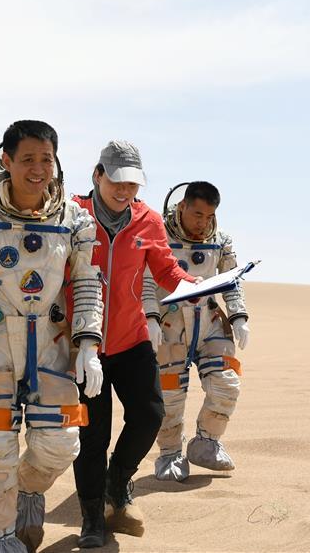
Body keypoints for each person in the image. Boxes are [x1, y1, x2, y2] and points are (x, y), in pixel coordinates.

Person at [0, 120, 104, 553]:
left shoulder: (74, 220)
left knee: (61, 444)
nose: (38, 169)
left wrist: (89, 344)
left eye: (46, 159)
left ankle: (28, 490)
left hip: (51, 344)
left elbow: (88, 282)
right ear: (7, 161)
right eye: (27, 159)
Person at [70, 141, 198, 548]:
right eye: (117, 182)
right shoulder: (73, 213)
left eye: (133, 184)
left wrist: (195, 286)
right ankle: (92, 517)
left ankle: (118, 481)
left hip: (131, 339)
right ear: (98, 176)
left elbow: (166, 270)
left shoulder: (148, 220)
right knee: (92, 435)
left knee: (149, 415)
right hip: (82, 344)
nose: (125, 192)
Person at [143, 181, 250, 483]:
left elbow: (232, 281)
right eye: (197, 215)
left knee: (226, 384)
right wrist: (150, 317)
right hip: (170, 326)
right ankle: (170, 453)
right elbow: (146, 280)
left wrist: (239, 316)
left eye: (209, 216)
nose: (203, 223)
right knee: (169, 395)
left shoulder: (221, 241)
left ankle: (206, 442)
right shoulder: (159, 237)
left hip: (209, 322)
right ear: (182, 207)